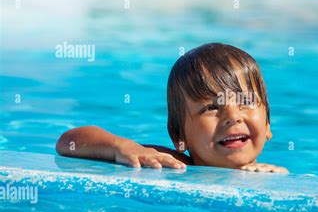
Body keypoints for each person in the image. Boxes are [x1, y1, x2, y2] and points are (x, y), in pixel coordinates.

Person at [56, 43, 288, 173]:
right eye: (210, 107)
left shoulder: (269, 175)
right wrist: (124, 148)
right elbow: (68, 141)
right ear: (180, 137)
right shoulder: (170, 164)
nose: (232, 117)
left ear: (267, 124)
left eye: (245, 102)